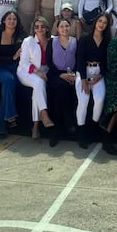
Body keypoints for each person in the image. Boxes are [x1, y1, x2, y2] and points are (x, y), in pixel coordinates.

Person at [17, 16, 57, 139]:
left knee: (37, 89)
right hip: (26, 72)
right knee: (39, 82)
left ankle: (35, 127)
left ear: (46, 28)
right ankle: (44, 114)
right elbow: (23, 63)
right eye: (37, 27)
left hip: (44, 72)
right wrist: (38, 72)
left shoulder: (53, 40)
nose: (39, 29)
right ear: (33, 29)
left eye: (42, 26)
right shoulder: (28, 41)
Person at [74, 13, 111, 147]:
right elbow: (79, 60)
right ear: (95, 22)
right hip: (84, 71)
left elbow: (107, 63)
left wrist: (100, 75)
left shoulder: (107, 41)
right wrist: (83, 80)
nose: (102, 24)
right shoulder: (85, 38)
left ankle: (93, 127)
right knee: (83, 99)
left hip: (98, 73)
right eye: (100, 21)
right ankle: (81, 130)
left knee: (99, 98)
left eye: (105, 23)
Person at [44, 17, 79, 146]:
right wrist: (61, 74)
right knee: (61, 88)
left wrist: (73, 74)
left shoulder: (75, 41)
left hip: (71, 75)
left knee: (66, 89)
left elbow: (78, 59)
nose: (64, 29)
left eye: (67, 26)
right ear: (57, 29)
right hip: (55, 75)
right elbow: (49, 63)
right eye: (62, 27)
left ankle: (62, 124)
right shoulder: (52, 42)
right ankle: (62, 124)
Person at [0, 10, 25, 135]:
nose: (12, 21)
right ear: (4, 21)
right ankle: (10, 116)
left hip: (16, 67)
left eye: (14, 19)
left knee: (8, 89)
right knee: (8, 80)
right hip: (0, 67)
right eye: (9, 19)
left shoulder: (21, 35)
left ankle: (2, 124)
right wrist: (12, 58)